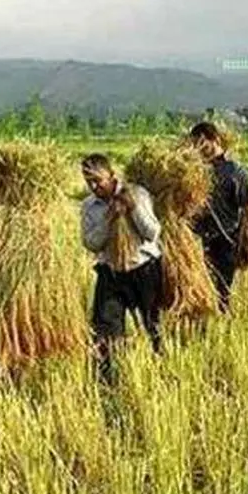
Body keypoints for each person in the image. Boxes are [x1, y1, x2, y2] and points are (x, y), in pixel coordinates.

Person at [79, 153, 164, 386]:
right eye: (89, 182)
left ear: (112, 175)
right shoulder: (89, 207)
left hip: (143, 270)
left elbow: (153, 233)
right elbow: (90, 243)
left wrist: (132, 207)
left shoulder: (137, 193)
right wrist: (109, 219)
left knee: (153, 325)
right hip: (110, 273)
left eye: (98, 180)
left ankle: (162, 373)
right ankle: (107, 382)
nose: (94, 187)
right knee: (105, 330)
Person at [188, 122, 248, 313]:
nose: (200, 151)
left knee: (221, 290)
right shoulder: (192, 173)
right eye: (196, 147)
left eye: (204, 145)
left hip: (225, 240)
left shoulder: (235, 173)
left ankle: (220, 325)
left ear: (215, 140)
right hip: (196, 241)